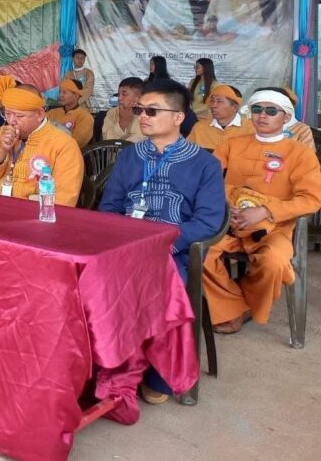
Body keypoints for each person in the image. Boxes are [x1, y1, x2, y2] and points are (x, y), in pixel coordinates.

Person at [98, 78, 227, 404]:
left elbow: (208, 221)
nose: (143, 116)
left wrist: (165, 243)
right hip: (125, 244)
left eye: (152, 111)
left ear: (178, 117)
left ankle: (158, 373)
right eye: (140, 110)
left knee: (156, 282)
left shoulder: (205, 164)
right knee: (87, 279)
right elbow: (109, 207)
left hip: (174, 250)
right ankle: (105, 363)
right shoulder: (130, 157)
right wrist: (121, 241)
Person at [203, 89, 321, 335]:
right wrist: (224, 202)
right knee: (196, 251)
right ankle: (233, 307)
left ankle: (247, 298)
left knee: (274, 263)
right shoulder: (232, 144)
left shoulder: (300, 153)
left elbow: (312, 198)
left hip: (273, 228)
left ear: (286, 117)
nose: (262, 115)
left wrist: (266, 210)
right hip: (228, 224)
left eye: (271, 111)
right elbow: (207, 179)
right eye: (257, 109)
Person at [0, 86, 84, 206]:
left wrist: (26, 202)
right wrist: (1, 151)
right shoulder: (1, 133)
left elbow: (64, 201)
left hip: (33, 213)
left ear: (40, 114)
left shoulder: (64, 144)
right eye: (8, 114)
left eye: (19, 116)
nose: (11, 121)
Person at [187, 84, 253, 150]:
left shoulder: (251, 129)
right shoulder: (199, 128)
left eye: (219, 101)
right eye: (212, 101)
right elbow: (187, 153)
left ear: (235, 107)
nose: (213, 105)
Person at [47, 78, 94, 148]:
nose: (60, 95)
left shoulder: (86, 118)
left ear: (76, 95)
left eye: (64, 92)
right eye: (60, 92)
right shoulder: (52, 112)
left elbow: (77, 142)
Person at [101, 77, 146, 143]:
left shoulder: (147, 114)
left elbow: (140, 139)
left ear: (138, 98)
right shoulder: (112, 112)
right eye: (118, 94)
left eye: (124, 94)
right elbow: (106, 139)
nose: (119, 98)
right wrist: (123, 122)